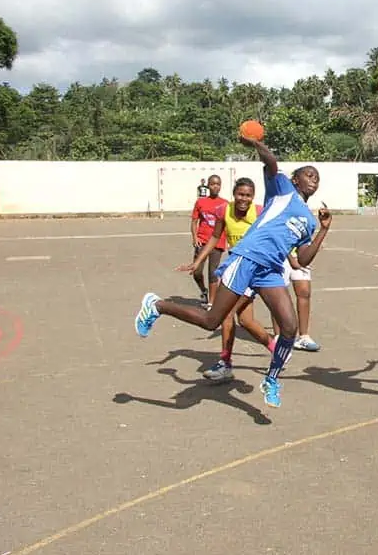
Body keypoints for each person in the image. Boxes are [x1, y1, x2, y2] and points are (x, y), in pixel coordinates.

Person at [137, 137, 331, 408]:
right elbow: (272, 163)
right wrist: (257, 142)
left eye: (317, 177)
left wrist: (323, 230)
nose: (314, 178)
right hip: (247, 258)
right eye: (309, 174)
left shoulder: (309, 221)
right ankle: (157, 305)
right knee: (211, 321)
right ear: (295, 180)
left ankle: (272, 379)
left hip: (271, 269)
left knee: (289, 327)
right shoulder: (282, 190)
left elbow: (304, 258)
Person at [178, 177, 274, 382]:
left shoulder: (259, 212)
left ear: (253, 197)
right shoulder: (224, 211)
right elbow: (215, 237)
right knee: (246, 321)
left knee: (226, 313)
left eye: (248, 195)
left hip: (253, 270)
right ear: (234, 194)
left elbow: (274, 234)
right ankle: (278, 350)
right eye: (240, 194)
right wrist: (197, 262)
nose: (244, 199)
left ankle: (225, 364)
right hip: (235, 268)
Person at [189, 174, 227, 304]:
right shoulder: (201, 202)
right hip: (202, 241)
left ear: (220, 186)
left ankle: (211, 303)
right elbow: (194, 221)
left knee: (213, 273)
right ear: (208, 186)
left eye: (218, 184)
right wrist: (195, 237)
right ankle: (203, 290)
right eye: (212, 184)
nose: (215, 186)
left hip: (217, 242)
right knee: (197, 272)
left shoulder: (225, 204)